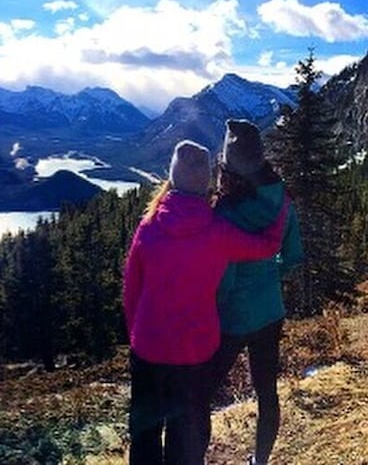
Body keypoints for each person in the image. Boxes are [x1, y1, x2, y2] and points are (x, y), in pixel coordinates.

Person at [124, 140, 289, 465]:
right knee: (187, 437)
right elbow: (268, 246)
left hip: (148, 348)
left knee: (144, 434)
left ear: (172, 178)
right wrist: (282, 203)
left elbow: (132, 292)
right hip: (195, 352)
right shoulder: (218, 231)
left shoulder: (149, 227)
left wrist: (138, 337)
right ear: (207, 184)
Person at [208, 119, 303, 465]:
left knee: (201, 393)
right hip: (270, 310)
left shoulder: (226, 209)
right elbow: (293, 255)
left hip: (232, 317)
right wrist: (269, 276)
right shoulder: (283, 197)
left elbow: (225, 277)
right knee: (267, 392)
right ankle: (259, 461)